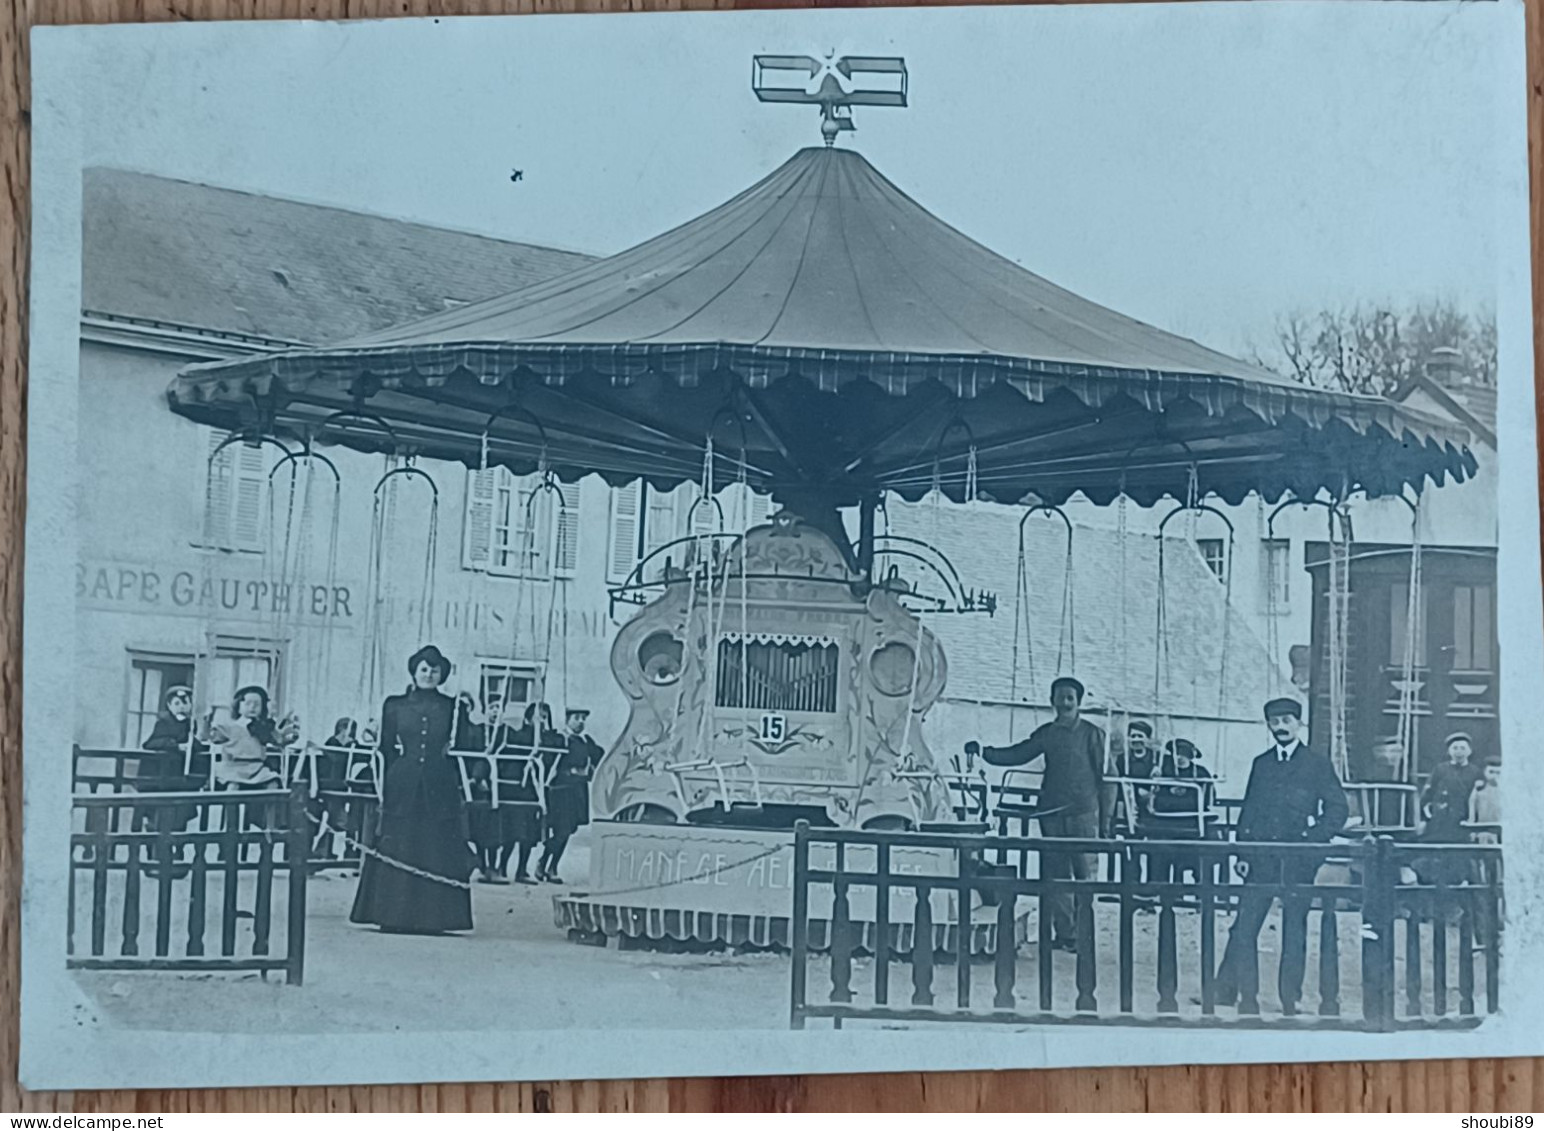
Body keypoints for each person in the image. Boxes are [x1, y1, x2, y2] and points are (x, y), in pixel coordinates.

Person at [1215, 697, 1348, 1015]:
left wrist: (1313, 839)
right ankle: (1227, 991)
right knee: (1245, 925)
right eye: (1274, 722)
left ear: (1299, 724)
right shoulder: (1262, 763)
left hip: (1298, 860)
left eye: (1287, 721)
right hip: (1261, 858)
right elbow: (1249, 809)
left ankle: (1291, 998)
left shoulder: (1316, 764)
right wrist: (1242, 851)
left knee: (1294, 929)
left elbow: (1338, 808)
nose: (1280, 728)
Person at [965, 675, 1107, 952]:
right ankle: (1065, 934)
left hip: (1083, 814)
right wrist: (985, 752)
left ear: (1078, 702)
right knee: (1056, 877)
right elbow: (1018, 754)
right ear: (1052, 701)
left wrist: (1108, 819)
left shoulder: (1093, 734)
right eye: (1060, 697)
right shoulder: (1047, 734)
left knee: (1085, 875)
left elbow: (1107, 778)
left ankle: (1083, 936)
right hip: (1051, 814)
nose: (1065, 702)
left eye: (1070, 698)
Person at [349, 645, 474, 934]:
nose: (429, 674)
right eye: (424, 669)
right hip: (402, 782)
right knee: (399, 842)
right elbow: (386, 747)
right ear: (414, 672)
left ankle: (436, 919)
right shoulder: (395, 705)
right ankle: (391, 915)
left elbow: (467, 749)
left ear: (442, 675)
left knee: (436, 845)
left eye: (435, 670)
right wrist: (393, 777)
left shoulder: (454, 708)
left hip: (439, 781)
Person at [488, 701, 561, 885]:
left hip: (536, 789)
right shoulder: (518, 735)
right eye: (537, 716)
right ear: (528, 718)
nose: (541, 720)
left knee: (529, 834)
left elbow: (554, 754)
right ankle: (502, 867)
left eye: (544, 717)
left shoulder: (549, 739)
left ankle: (522, 869)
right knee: (512, 831)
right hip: (517, 788)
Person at [536, 707, 605, 884]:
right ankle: (547, 865)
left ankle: (548, 864)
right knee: (562, 830)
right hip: (561, 791)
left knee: (569, 831)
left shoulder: (586, 741)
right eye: (577, 717)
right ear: (567, 720)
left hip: (578, 792)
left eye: (583, 718)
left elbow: (600, 757)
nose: (581, 721)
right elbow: (547, 757)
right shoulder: (560, 739)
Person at [1139, 738, 1216, 885]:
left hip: (1192, 826)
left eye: (1184, 754)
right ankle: (1157, 894)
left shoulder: (1200, 773)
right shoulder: (1163, 773)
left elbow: (1208, 800)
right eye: (1176, 754)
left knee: (1202, 854)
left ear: (1191, 756)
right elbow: (1157, 800)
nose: (1180, 758)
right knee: (1158, 853)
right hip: (1166, 826)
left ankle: (1201, 896)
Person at [1417, 732, 1486, 886]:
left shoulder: (1475, 772)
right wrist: (1425, 816)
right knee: (1437, 858)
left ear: (1469, 751)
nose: (1459, 751)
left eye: (1462, 748)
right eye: (1455, 748)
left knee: (1460, 859)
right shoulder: (1440, 769)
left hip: (1462, 822)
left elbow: (1480, 799)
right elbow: (1428, 793)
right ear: (1449, 751)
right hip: (1440, 822)